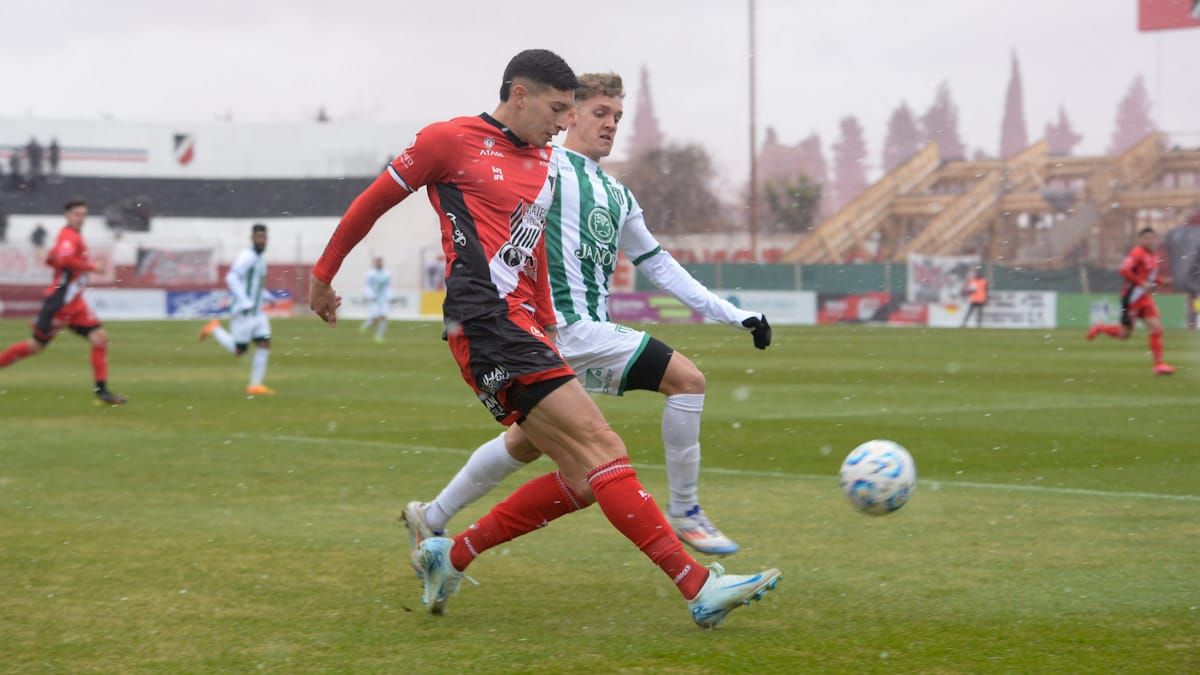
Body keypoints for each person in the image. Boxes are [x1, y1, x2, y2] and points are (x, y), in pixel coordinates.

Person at [309, 49, 780, 628]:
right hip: (486, 325)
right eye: (559, 109)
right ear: (520, 94)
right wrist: (323, 276)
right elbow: (372, 201)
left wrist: (543, 325)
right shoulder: (448, 141)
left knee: (583, 479)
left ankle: (447, 551)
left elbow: (528, 255)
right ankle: (697, 586)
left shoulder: (539, 164)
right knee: (604, 448)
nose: (563, 122)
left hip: (526, 330)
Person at [403, 72, 771, 559]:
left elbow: (658, 263)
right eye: (600, 113)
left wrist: (732, 314)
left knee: (529, 446)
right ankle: (685, 511)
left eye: (617, 116)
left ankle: (432, 519)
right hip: (556, 329)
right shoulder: (540, 165)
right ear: (569, 114)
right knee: (686, 380)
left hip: (566, 340)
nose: (611, 125)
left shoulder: (617, 194)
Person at [0, 198, 127, 405]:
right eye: (77, 214)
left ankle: (102, 391)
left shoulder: (70, 237)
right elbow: (66, 261)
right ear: (67, 216)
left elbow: (57, 259)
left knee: (100, 338)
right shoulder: (68, 236)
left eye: (83, 215)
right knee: (35, 347)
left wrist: (50, 258)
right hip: (59, 303)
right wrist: (92, 267)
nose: (81, 219)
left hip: (75, 304)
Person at [199, 223, 276, 394]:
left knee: (264, 344)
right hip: (243, 311)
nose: (262, 240)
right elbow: (232, 277)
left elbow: (255, 284)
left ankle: (255, 385)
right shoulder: (246, 256)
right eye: (258, 237)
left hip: (257, 312)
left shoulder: (261, 259)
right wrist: (244, 300)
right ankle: (215, 329)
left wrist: (267, 296)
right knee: (239, 350)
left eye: (264, 237)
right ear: (252, 238)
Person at [1087, 227, 1175, 375]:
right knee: (1124, 334)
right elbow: (1124, 270)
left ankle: (1159, 365)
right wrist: (1141, 283)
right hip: (1132, 298)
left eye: (1152, 238)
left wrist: (1160, 281)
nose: (1150, 241)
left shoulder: (1152, 255)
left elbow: (1148, 277)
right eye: (1146, 238)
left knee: (1157, 329)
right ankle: (1100, 327)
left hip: (1145, 299)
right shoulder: (1137, 253)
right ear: (1140, 239)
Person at [359, 256, 391, 343]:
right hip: (374, 298)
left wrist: (389, 296)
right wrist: (370, 295)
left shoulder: (387, 273)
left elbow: (388, 286)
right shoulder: (370, 274)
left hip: (383, 299)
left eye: (380, 262)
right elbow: (367, 286)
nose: (379, 263)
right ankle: (365, 326)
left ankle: (379, 336)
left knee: (383, 316)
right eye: (377, 262)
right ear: (375, 263)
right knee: (375, 317)